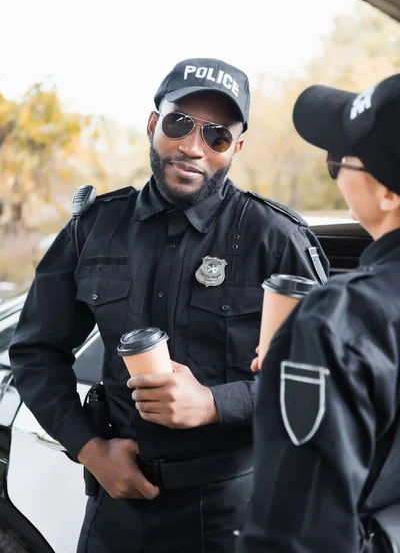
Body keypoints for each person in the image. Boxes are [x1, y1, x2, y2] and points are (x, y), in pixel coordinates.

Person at [10, 57, 328, 553]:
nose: (193, 148)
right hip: (115, 510)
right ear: (154, 124)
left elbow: (320, 380)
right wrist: (90, 450)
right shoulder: (94, 227)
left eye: (217, 135)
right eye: (180, 123)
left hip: (233, 514)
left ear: (237, 147)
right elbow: (35, 351)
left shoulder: (275, 240)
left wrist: (214, 404)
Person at [237, 75, 400, 553]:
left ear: (388, 193)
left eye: (338, 160)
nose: (335, 172)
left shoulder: (338, 322)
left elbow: (297, 538)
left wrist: (294, 368)